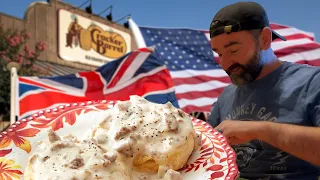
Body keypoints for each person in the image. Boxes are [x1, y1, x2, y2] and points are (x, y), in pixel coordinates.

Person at [207, 2, 320, 180]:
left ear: (264, 39)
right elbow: (206, 151)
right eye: (219, 54)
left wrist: (261, 130)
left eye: (234, 50)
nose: (225, 64)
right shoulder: (226, 95)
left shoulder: (312, 82)